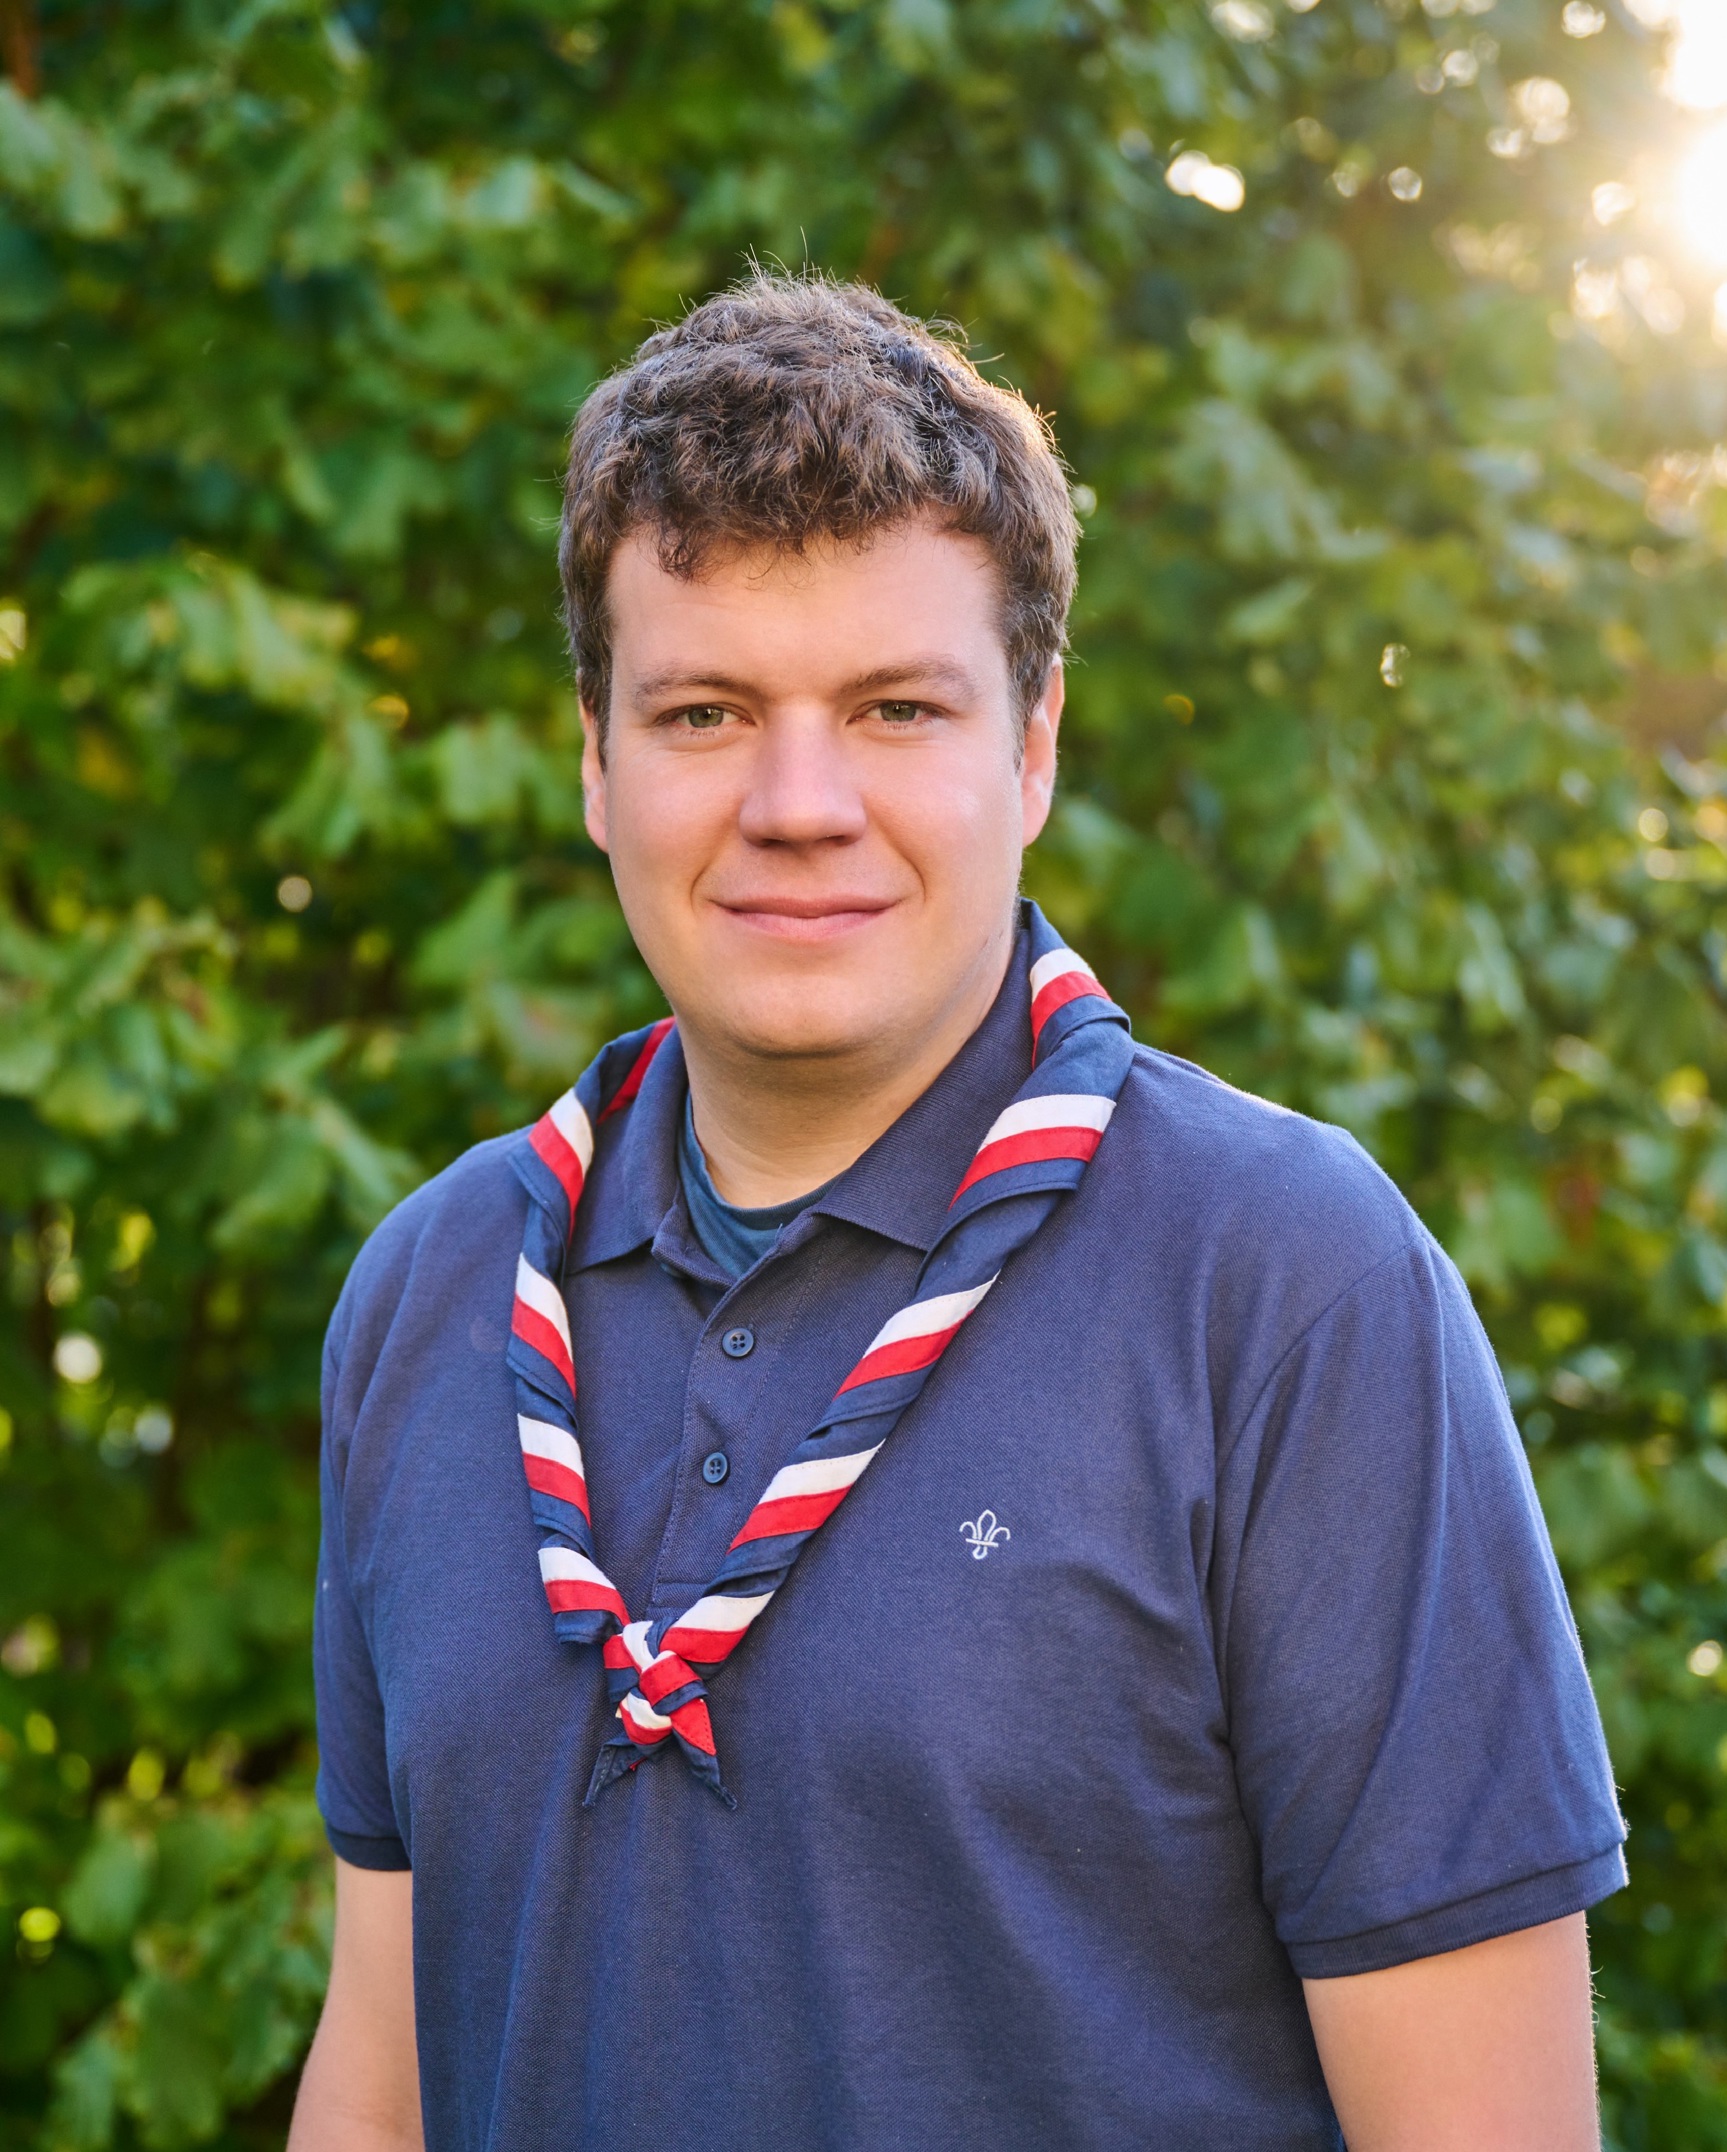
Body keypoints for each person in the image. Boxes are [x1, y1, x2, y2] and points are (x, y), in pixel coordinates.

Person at [290, 272, 1626, 2152]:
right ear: (595, 758)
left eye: (898, 706)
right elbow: (385, 2072)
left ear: (1035, 746)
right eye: (704, 711)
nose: (799, 800)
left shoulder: (1288, 1285)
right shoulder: (434, 1290)